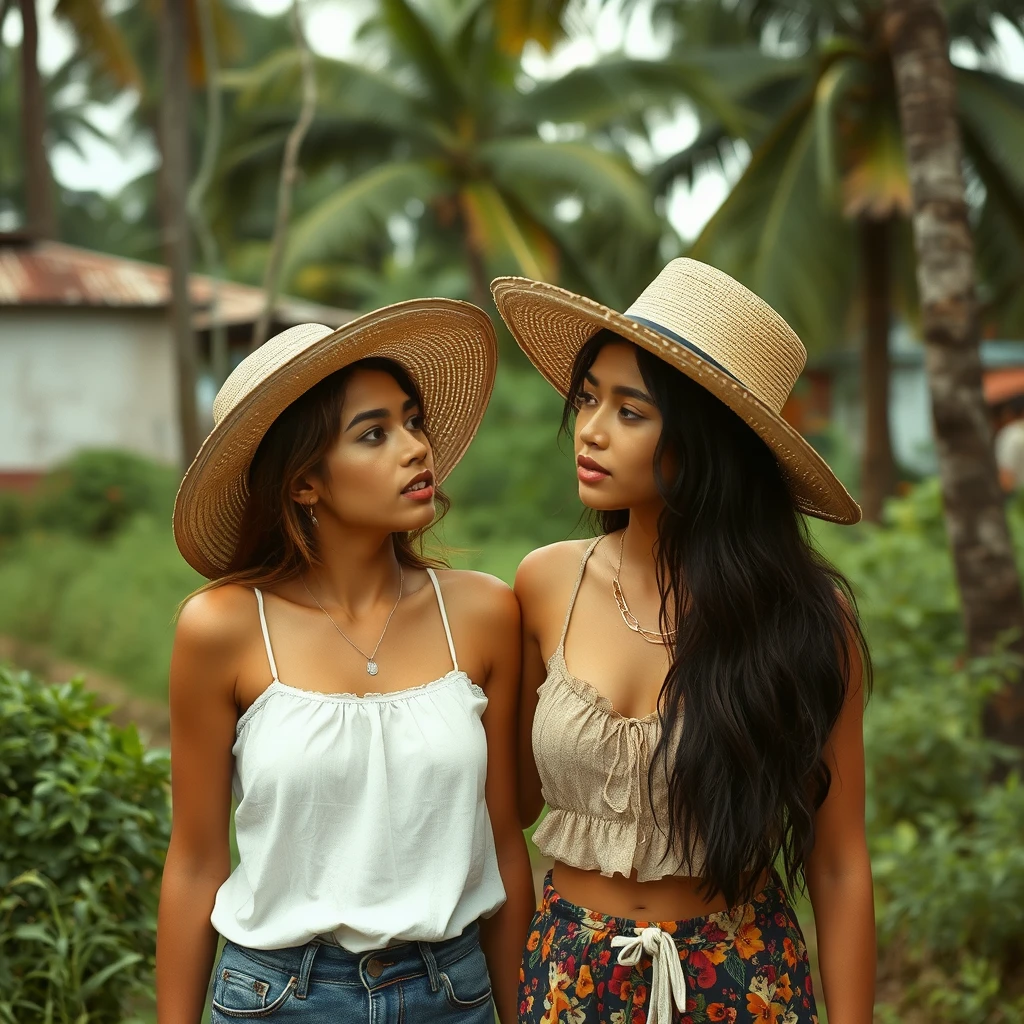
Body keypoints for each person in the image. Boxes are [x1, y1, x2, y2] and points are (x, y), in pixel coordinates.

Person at [492, 260, 875, 1024]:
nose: (591, 430)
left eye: (631, 412)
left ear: (709, 443)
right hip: (569, 975)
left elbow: (838, 865)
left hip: (742, 978)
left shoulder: (804, 620)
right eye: (590, 398)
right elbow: (505, 819)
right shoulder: (544, 586)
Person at [157, 301, 534, 1024]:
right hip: (276, 997)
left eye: (413, 421)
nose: (416, 448)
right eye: (374, 434)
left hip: (453, 991)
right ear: (305, 483)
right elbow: (198, 861)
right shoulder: (225, 628)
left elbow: (504, 845)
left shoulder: (484, 615)